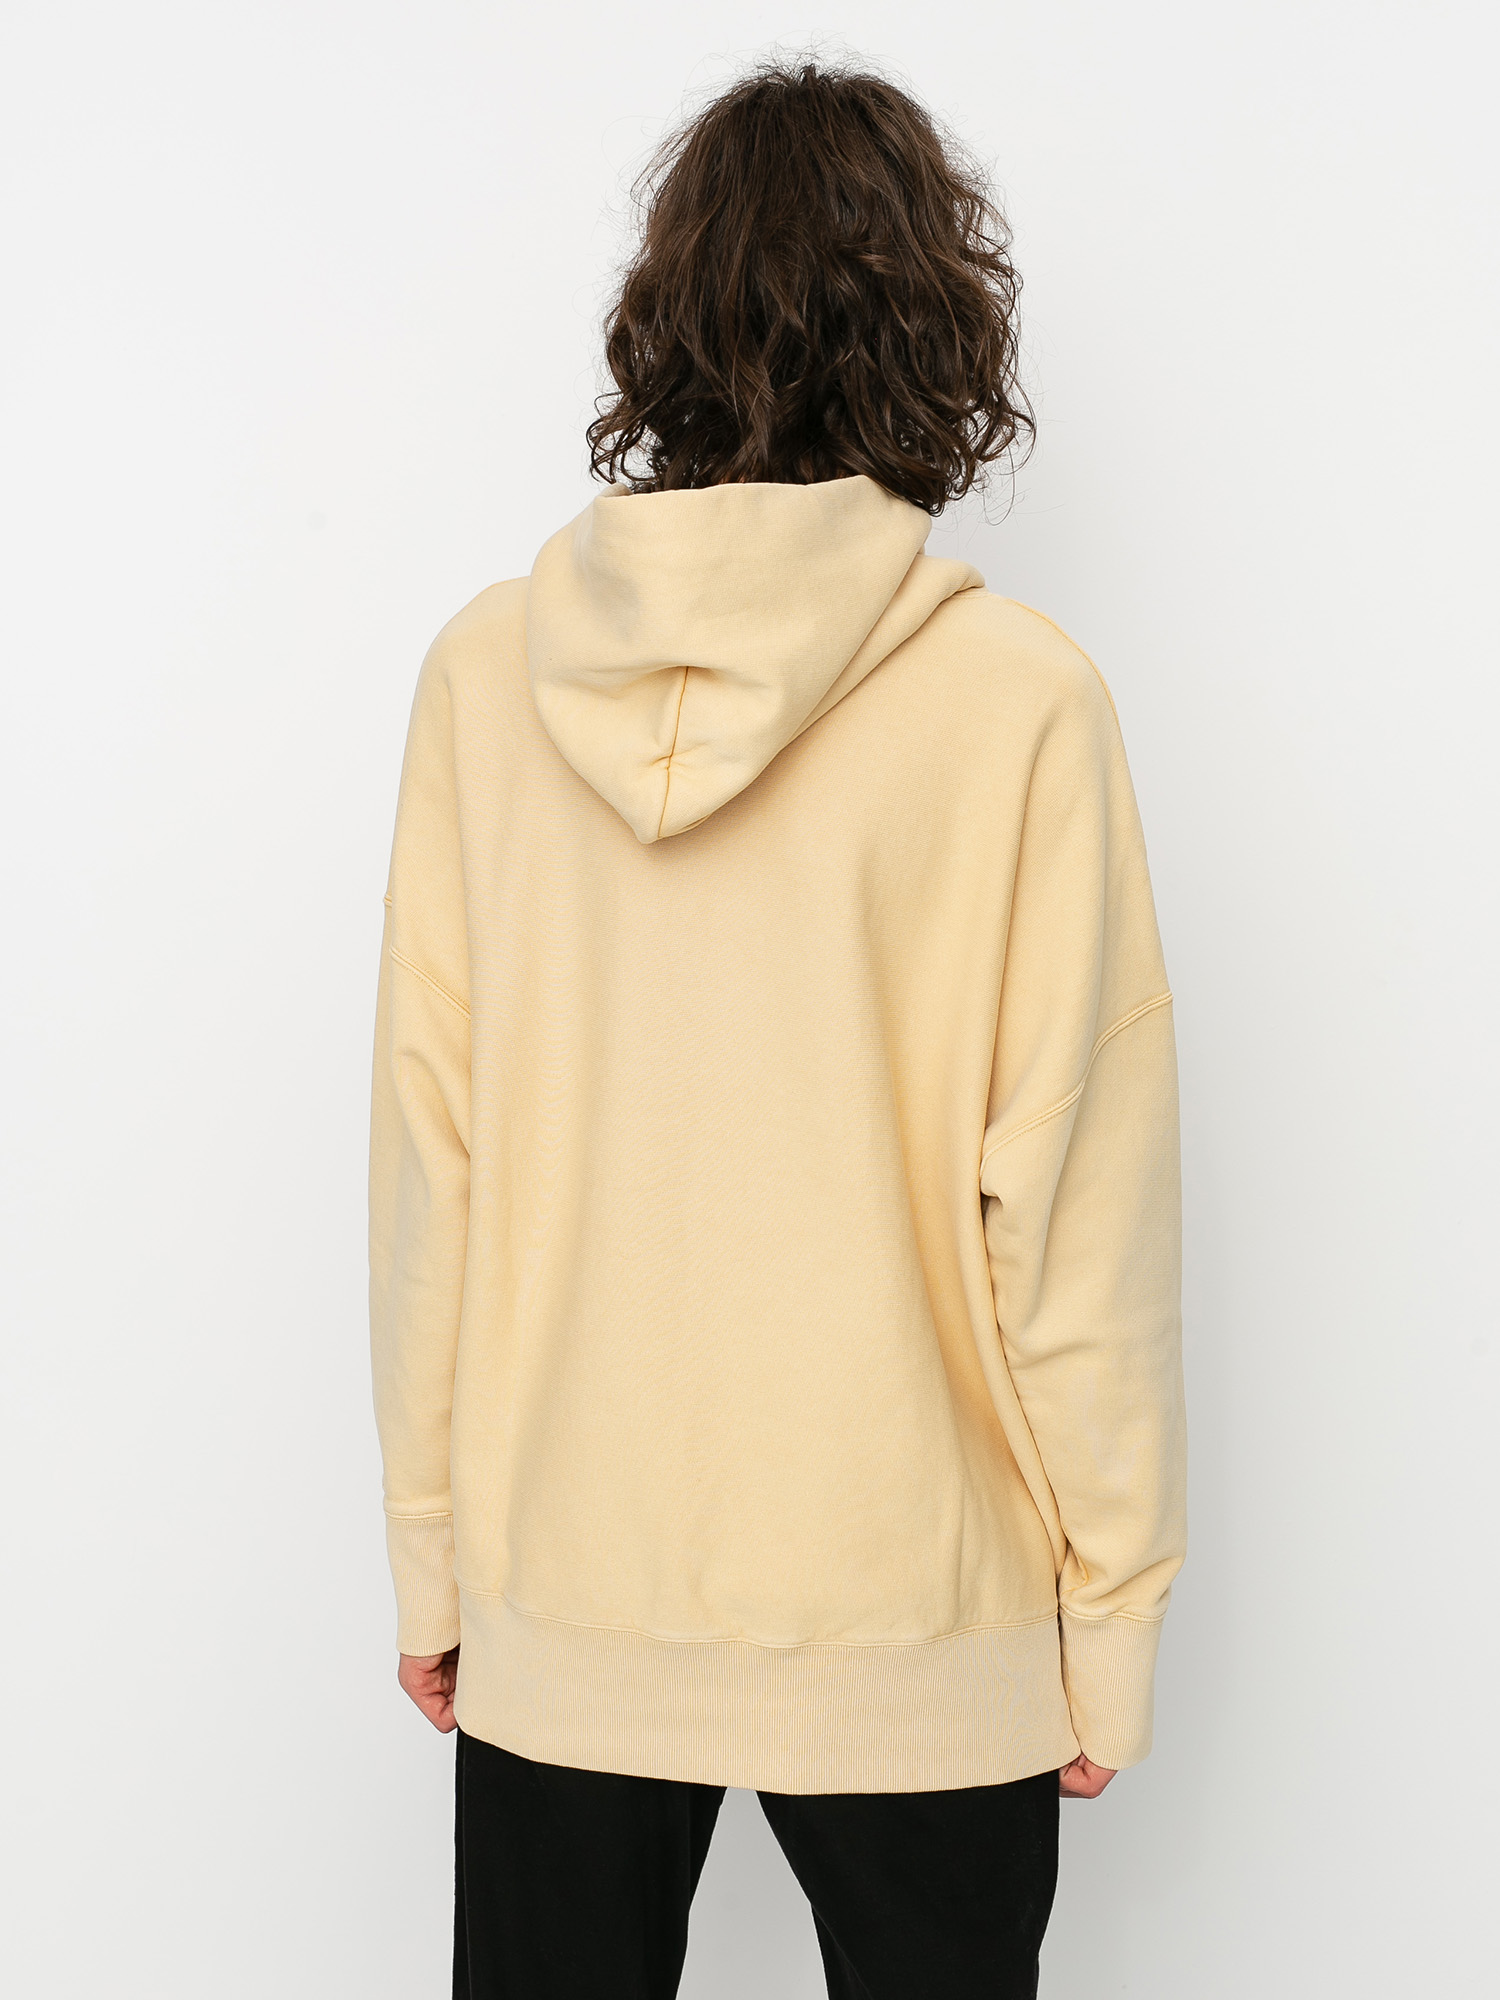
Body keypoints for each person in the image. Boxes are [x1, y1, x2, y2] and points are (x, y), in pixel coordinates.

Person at [369, 56, 1186, 2000]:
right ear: (933, 326)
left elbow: (431, 1164)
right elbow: (1074, 1208)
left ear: (667, 319)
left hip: (567, 1579)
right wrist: (1110, 1614)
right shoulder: (1018, 702)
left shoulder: (490, 678)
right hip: (917, 1602)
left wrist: (436, 1554)